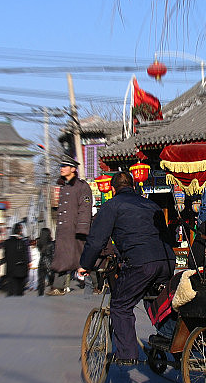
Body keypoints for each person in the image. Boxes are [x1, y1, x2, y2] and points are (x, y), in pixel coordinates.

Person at [77, 171, 175, 365]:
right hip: (166, 261)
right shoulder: (152, 204)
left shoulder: (111, 206)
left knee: (120, 305)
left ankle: (127, 353)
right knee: (158, 301)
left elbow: (96, 241)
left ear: (113, 189)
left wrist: (84, 266)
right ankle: (173, 339)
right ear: (133, 186)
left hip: (140, 263)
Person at [48, 155, 92, 296]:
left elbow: (85, 208)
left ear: (73, 169)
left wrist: (82, 228)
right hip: (64, 231)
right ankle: (58, 286)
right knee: (62, 258)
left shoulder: (82, 186)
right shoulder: (64, 187)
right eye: (61, 166)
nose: (61, 169)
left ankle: (93, 285)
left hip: (75, 229)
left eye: (64, 166)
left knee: (82, 260)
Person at [3, 222, 30, 296]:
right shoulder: (22, 242)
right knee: (20, 289)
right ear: (20, 231)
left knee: (11, 288)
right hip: (21, 268)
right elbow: (26, 255)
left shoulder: (7, 242)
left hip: (10, 268)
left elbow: (5, 255)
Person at [36, 227, 54, 296]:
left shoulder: (39, 243)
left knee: (41, 281)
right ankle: (52, 293)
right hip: (49, 262)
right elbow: (53, 254)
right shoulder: (51, 243)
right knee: (52, 281)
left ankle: (40, 294)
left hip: (41, 262)